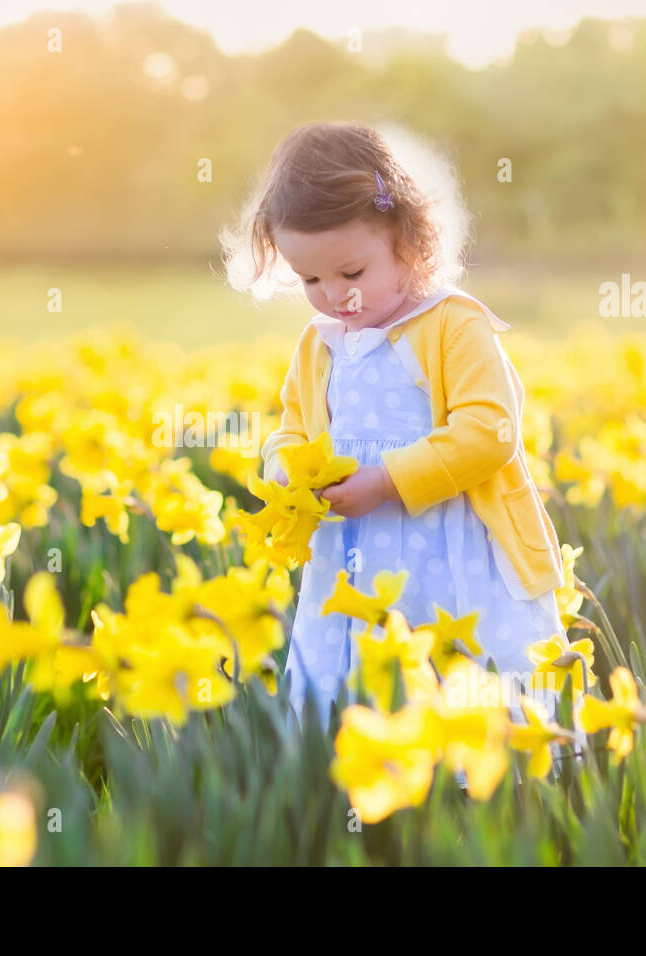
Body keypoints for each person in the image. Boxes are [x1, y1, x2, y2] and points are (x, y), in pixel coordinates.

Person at [221, 121, 571, 741]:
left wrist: (387, 482)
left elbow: (489, 432)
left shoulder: (453, 325)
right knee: (355, 695)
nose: (334, 296)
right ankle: (364, 798)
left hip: (457, 551)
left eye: (352, 273)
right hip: (350, 560)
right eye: (310, 281)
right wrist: (284, 470)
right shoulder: (320, 342)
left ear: (409, 242)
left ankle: (487, 801)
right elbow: (292, 428)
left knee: (466, 690)